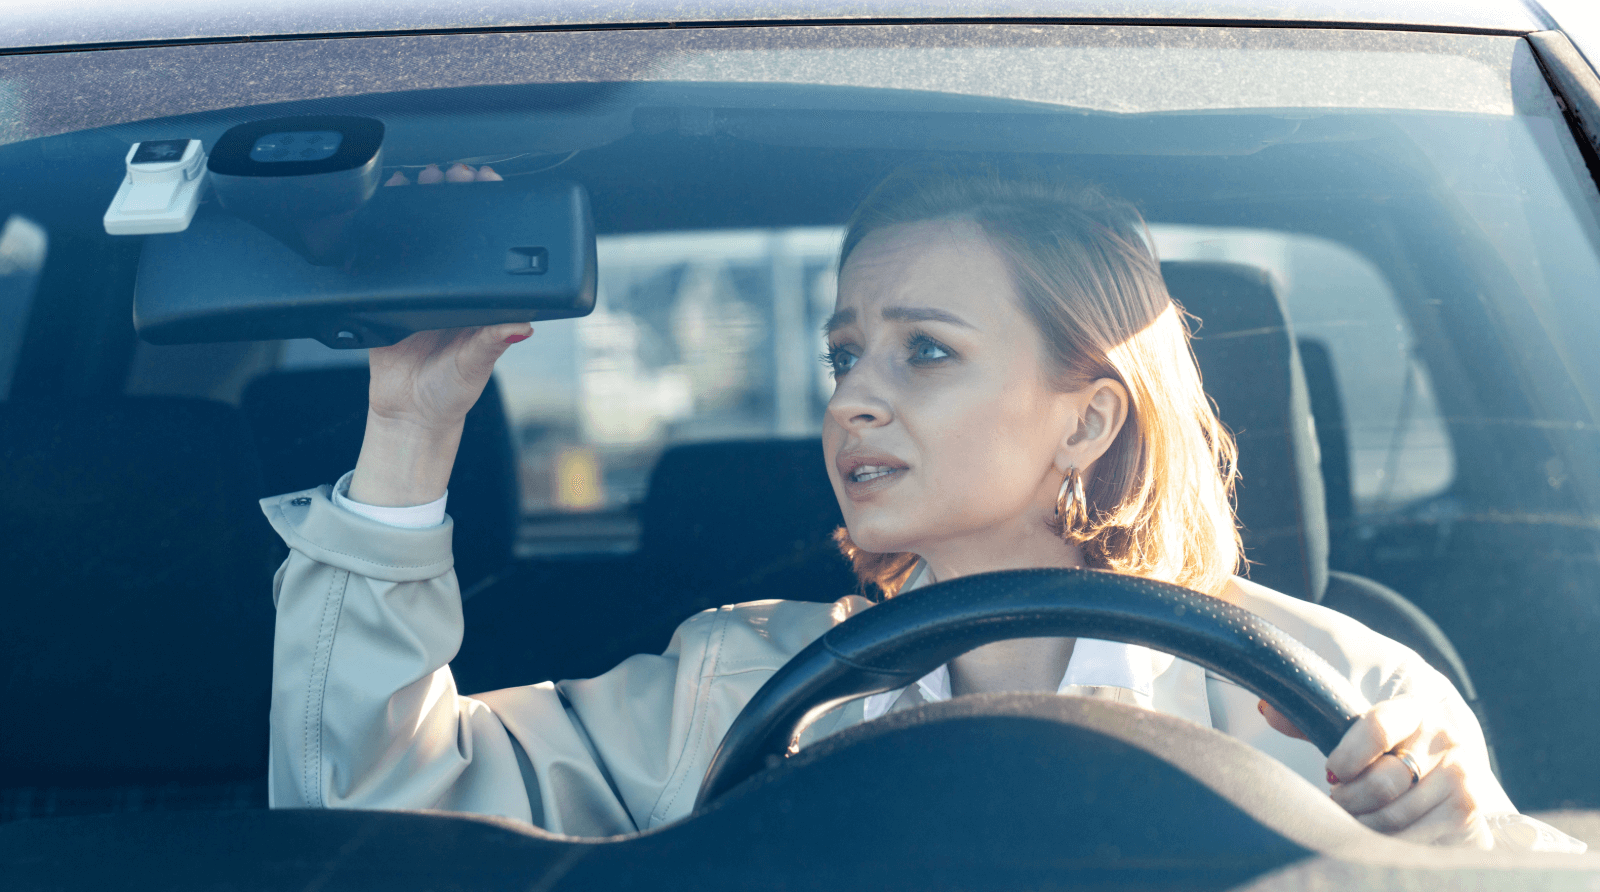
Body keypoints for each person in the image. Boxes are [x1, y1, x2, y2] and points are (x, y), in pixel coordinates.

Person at [262, 163, 1576, 850]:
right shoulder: (734, 689)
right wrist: (411, 419)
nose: (854, 401)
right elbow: (373, 810)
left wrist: (1459, 845)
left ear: (1090, 417)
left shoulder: (1332, 695)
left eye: (924, 352)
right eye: (846, 356)